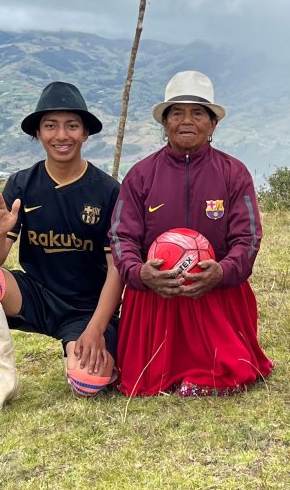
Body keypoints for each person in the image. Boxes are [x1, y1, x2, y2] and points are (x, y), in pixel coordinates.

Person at [0, 81, 122, 419]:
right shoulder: (22, 184)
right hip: (38, 296)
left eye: (71, 125)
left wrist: (94, 330)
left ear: (85, 133)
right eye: (50, 125)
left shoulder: (108, 191)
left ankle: (81, 350)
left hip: (87, 309)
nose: (61, 135)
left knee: (87, 385)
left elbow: (117, 270)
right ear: (38, 133)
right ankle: (0, 380)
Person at [110, 70, 272, 396]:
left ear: (213, 124)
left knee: (232, 370)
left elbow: (248, 237)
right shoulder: (141, 175)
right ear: (165, 122)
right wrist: (140, 274)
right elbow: (121, 237)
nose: (187, 121)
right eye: (177, 113)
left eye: (198, 113)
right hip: (155, 297)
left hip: (216, 293)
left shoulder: (233, 173)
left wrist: (223, 271)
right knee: (141, 381)